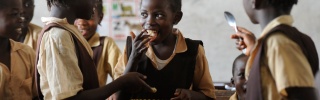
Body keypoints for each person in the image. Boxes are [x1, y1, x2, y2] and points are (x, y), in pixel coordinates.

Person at [36, 0, 155, 99]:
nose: (96, 3)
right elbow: (70, 98)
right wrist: (122, 82)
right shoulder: (58, 36)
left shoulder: (68, 33)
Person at [114, 0, 216, 99]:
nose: (149, 22)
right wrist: (133, 58)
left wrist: (191, 95)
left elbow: (209, 96)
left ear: (176, 18)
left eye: (159, 15)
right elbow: (118, 96)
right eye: (144, 14)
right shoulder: (131, 48)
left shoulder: (193, 50)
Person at [230, 0, 319, 99]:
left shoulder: (277, 43)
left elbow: (303, 95)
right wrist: (256, 50)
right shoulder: (301, 39)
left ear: (255, 1)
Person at [74, 0, 121, 87]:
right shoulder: (65, 42)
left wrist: (116, 90)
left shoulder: (106, 44)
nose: (81, 22)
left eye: (89, 16)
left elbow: (121, 75)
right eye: (77, 16)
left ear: (100, 18)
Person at [0, 0, 37, 99]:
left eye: (20, 14)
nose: (21, 19)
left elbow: (38, 95)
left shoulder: (27, 53)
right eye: (14, 14)